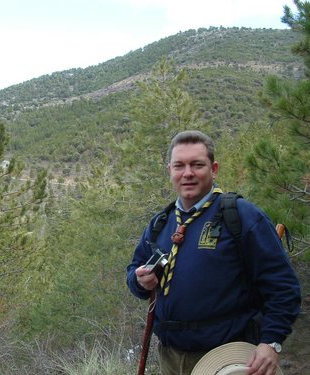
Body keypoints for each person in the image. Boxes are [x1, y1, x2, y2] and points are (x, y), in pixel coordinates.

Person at [126, 130, 301, 375]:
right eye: (179, 166)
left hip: (228, 358)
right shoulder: (160, 224)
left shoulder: (241, 216)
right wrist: (139, 280)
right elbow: (134, 270)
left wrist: (271, 342)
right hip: (171, 358)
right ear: (170, 171)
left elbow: (284, 287)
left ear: (214, 168)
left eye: (197, 165)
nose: (187, 173)